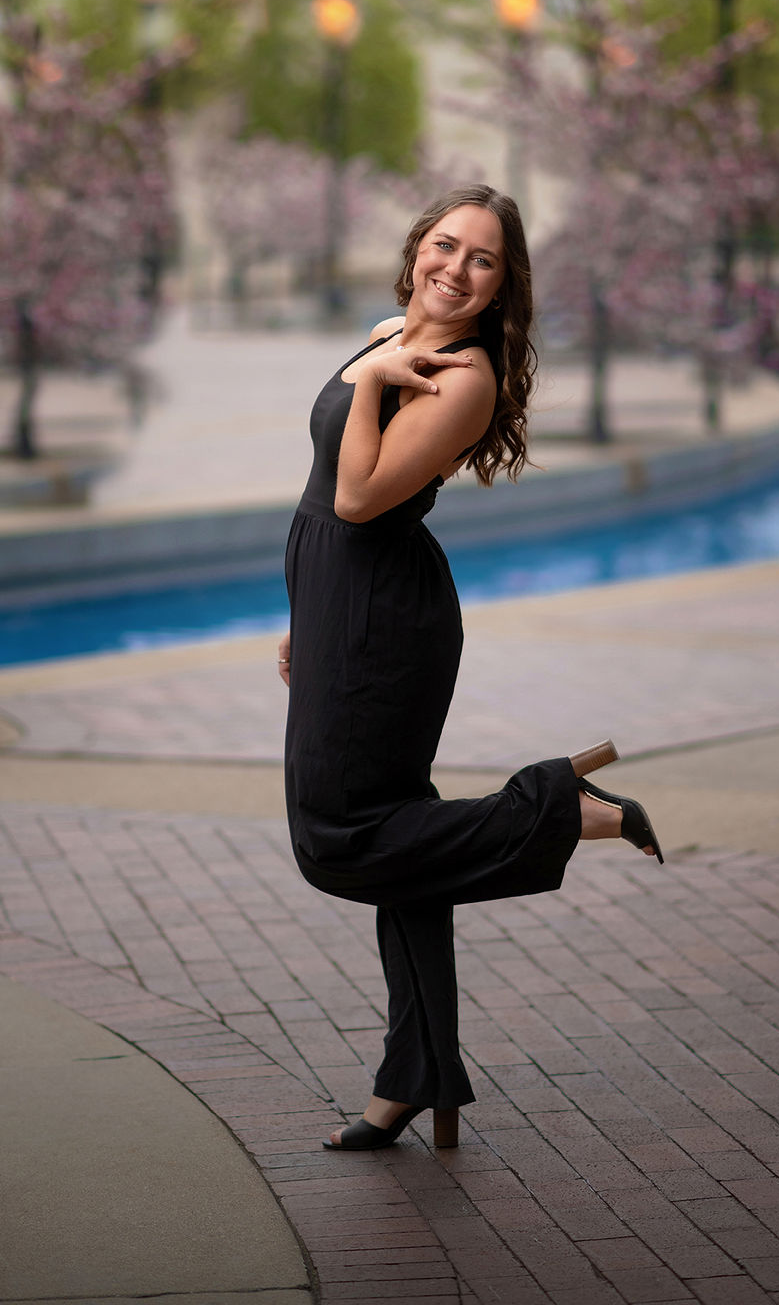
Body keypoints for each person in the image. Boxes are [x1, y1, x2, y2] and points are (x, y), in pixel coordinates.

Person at [277, 184, 662, 1153]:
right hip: (340, 605)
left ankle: (555, 807)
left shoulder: (462, 376)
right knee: (399, 846)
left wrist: (372, 380)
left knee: (340, 837)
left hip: (385, 624)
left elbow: (362, 496)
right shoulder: (386, 332)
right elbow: (324, 485)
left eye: (481, 259)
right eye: (444, 245)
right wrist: (301, 606)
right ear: (416, 249)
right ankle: (416, 1078)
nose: (454, 267)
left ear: (500, 287)